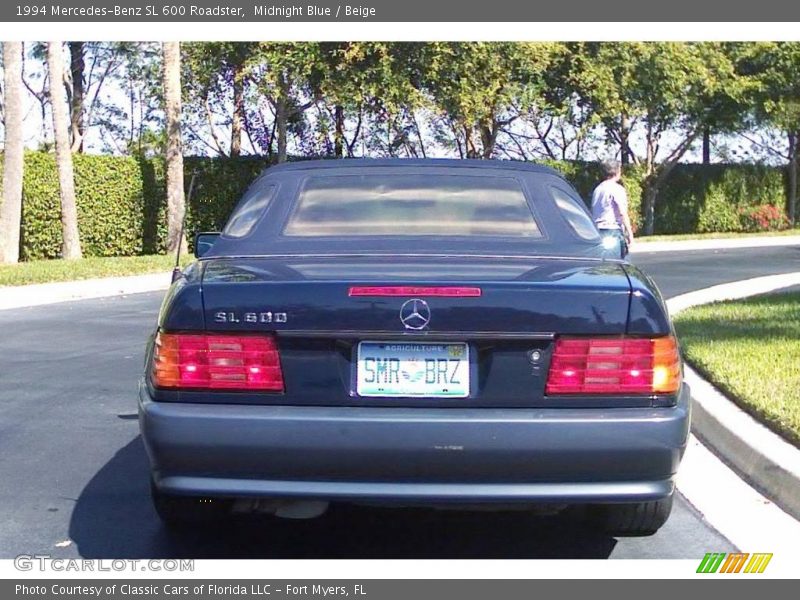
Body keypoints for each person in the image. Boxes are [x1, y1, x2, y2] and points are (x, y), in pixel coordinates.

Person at [591, 160, 634, 257]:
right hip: (612, 230)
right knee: (616, 264)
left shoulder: (598, 189)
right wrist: (630, 234)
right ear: (618, 171)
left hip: (597, 230)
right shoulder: (616, 189)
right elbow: (622, 212)